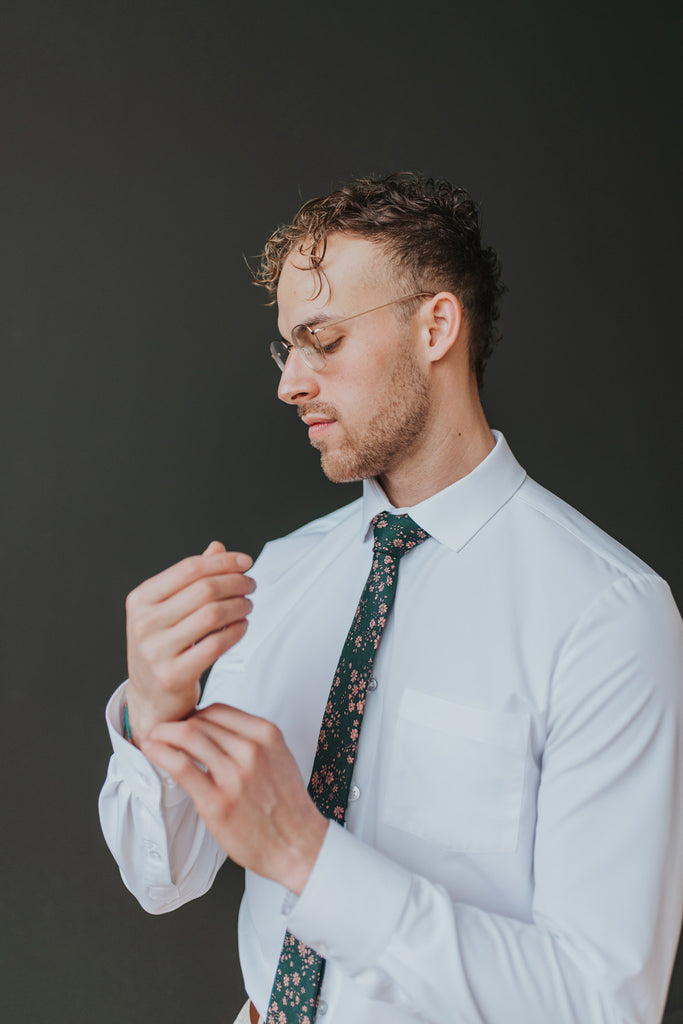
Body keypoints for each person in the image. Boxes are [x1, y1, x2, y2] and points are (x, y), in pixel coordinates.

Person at [99, 173, 683, 1024]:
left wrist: (308, 855)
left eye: (323, 340)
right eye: (285, 348)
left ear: (435, 325)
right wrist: (153, 718)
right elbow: (163, 878)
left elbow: (602, 1004)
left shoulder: (607, 619)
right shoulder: (281, 577)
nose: (289, 384)